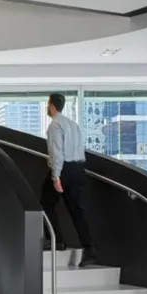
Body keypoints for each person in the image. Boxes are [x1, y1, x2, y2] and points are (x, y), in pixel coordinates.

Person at [41, 94, 97, 268]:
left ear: (51, 106)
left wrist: (56, 176)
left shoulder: (54, 126)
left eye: (47, 104)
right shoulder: (73, 125)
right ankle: (90, 250)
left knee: (45, 203)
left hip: (63, 170)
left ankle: (55, 240)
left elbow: (57, 153)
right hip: (79, 169)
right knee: (77, 211)